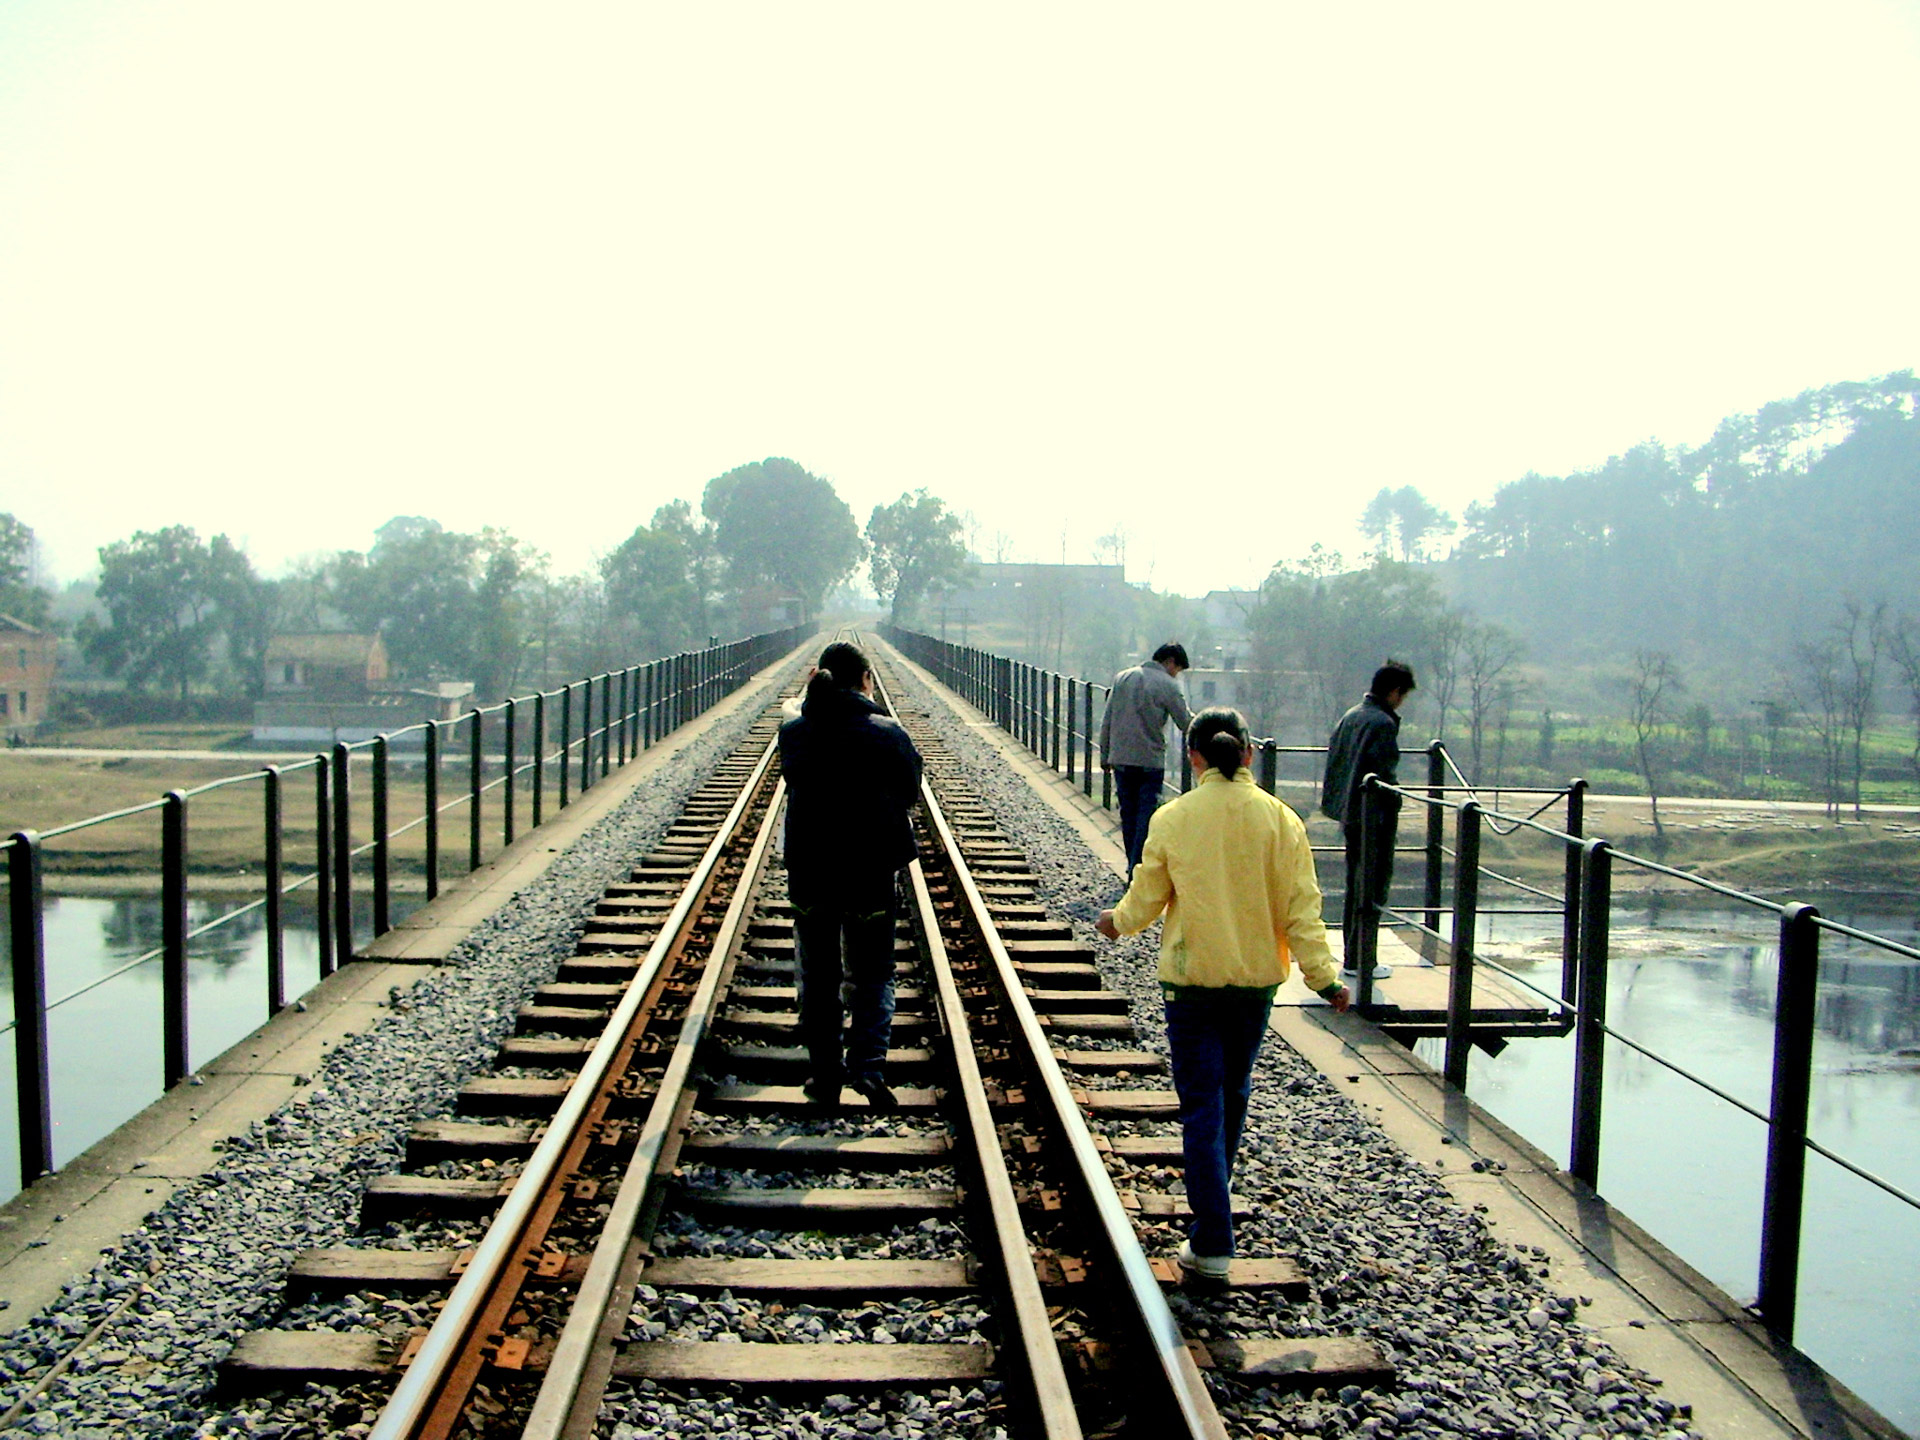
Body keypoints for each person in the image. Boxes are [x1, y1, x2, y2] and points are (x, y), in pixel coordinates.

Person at [1096, 707, 1349, 1282]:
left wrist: (1116, 922)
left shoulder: (1174, 817)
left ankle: (1212, 1238)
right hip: (1257, 982)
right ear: (1249, 754)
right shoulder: (1282, 820)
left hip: (1191, 983)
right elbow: (1303, 910)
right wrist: (1323, 978)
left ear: (1193, 757)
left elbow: (1148, 895)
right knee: (1232, 1094)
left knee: (1202, 1106)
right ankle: (1214, 1205)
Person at [777, 642, 924, 1112]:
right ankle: (868, 1069)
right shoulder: (888, 733)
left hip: (810, 871)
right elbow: (909, 792)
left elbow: (793, 777)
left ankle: (825, 1075)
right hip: (869, 871)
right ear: (865, 681)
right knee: (873, 971)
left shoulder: (795, 731)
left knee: (817, 973)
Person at [1321, 660, 1417, 985]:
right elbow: (1383, 777)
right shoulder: (1382, 725)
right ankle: (1364, 960)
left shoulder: (1352, 715)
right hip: (1373, 819)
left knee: (1355, 886)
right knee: (1373, 888)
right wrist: (1397, 800)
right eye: (1402, 695)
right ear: (1393, 692)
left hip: (1350, 815)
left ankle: (1353, 957)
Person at [1099, 643, 1193, 877]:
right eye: (1177, 669)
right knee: (1147, 816)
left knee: (1128, 812)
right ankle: (1136, 868)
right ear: (1170, 662)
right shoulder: (1168, 684)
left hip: (1121, 757)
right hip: (1150, 760)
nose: (1176, 674)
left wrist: (1104, 754)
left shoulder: (1123, 678)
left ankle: (1132, 862)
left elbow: (1107, 719)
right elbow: (1186, 722)